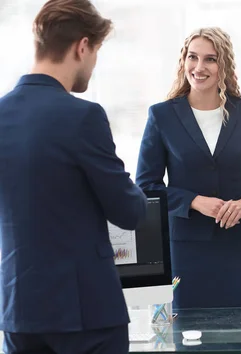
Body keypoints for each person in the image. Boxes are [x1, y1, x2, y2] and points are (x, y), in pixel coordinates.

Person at [0, 0, 148, 353]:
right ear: (83, 47)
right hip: (85, 315)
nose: (93, 64)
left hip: (17, 313)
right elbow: (130, 212)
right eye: (95, 52)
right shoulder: (83, 117)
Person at [136, 27, 241, 309]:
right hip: (186, 252)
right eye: (193, 57)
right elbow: (146, 187)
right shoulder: (162, 115)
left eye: (210, 59)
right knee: (189, 339)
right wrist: (194, 201)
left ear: (223, 65)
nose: (199, 67)